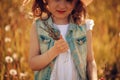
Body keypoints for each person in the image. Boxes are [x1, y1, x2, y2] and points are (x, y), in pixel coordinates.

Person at [29, 0, 98, 80]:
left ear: (76, 2)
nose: (62, 6)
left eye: (69, 0)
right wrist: (53, 52)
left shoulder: (83, 27)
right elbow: (33, 64)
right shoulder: (39, 26)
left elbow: (90, 61)